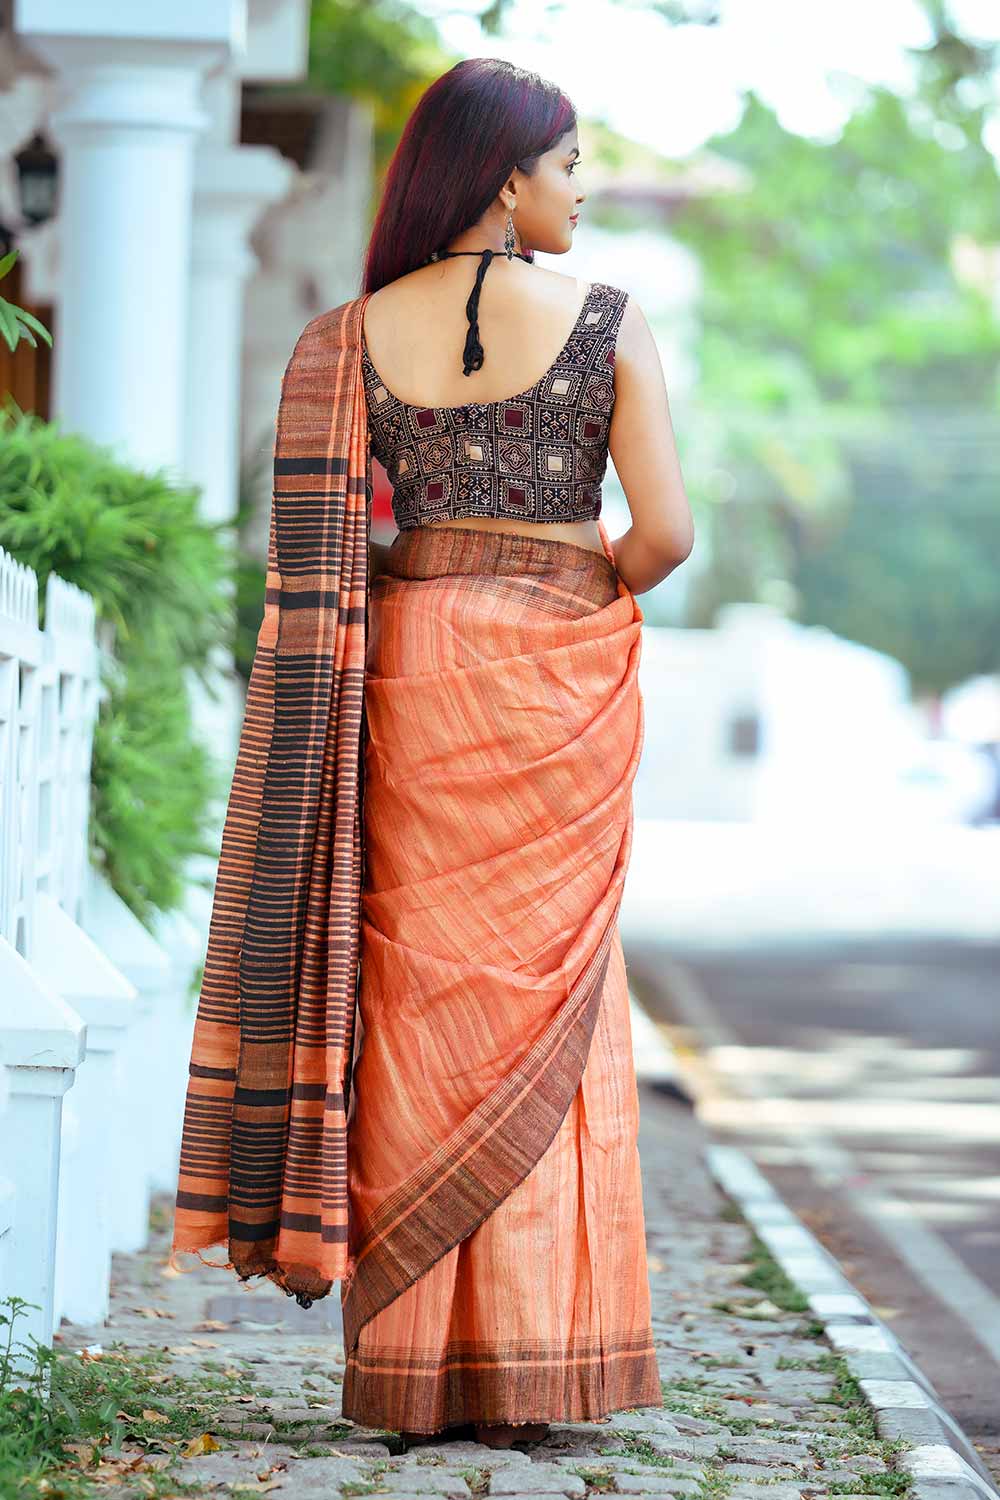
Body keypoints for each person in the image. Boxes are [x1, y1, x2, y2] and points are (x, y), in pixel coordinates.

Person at [171, 56, 693, 1454]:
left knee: (408, 992)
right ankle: (537, 1357)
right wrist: (578, 594)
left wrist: (431, 570)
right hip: (553, 673)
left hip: (413, 670)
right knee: (551, 1000)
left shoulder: (346, 339)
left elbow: (329, 547)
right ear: (507, 175)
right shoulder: (610, 319)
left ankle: (412, 1361)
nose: (579, 186)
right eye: (569, 161)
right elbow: (669, 534)